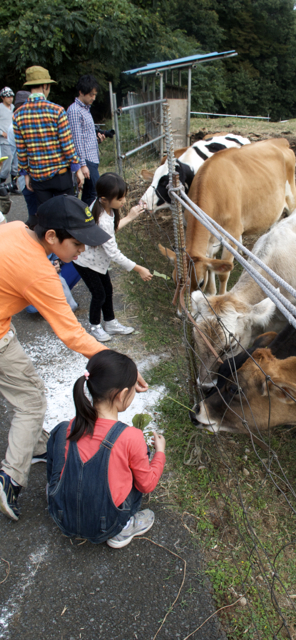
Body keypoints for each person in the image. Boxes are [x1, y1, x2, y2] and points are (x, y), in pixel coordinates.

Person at [0, 194, 149, 522]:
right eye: (78, 243)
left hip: (4, 324)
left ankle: (37, 445)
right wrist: (122, 364)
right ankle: (10, 478)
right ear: (52, 237)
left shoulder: (12, 229)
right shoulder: (39, 273)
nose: (83, 250)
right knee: (31, 400)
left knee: (25, 389)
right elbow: (72, 335)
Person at [47, 350, 166, 548]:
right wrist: (159, 453)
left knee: (58, 435)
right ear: (122, 395)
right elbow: (147, 485)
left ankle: (59, 496)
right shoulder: (131, 437)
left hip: (62, 518)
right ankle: (123, 528)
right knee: (141, 456)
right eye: (133, 391)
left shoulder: (70, 426)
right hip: (105, 525)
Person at [74, 172, 153, 342]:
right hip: (86, 262)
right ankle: (95, 326)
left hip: (97, 261)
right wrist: (139, 269)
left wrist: (131, 216)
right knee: (99, 294)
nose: (124, 201)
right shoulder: (101, 218)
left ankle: (110, 322)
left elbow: (110, 233)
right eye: (120, 199)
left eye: (123, 197)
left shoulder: (104, 207)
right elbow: (114, 253)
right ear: (104, 198)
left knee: (107, 290)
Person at [12, 66, 85, 214]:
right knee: (66, 216)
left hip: (38, 178)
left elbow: (21, 150)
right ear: (45, 86)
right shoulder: (57, 110)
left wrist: (25, 174)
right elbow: (67, 145)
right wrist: (77, 168)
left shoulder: (18, 115)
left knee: (47, 218)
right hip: (60, 175)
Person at [67, 75, 105, 205]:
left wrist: (97, 139)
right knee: (92, 194)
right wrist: (82, 165)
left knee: (92, 192)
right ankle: (87, 221)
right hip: (86, 160)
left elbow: (85, 136)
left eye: (95, 94)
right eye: (91, 94)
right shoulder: (74, 111)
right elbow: (76, 139)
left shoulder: (86, 109)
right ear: (81, 92)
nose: (93, 98)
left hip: (92, 158)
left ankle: (87, 221)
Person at [7, 90, 38, 227]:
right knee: (36, 217)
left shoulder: (12, 126)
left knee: (34, 215)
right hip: (33, 175)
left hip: (23, 176)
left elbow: (14, 155)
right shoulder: (16, 126)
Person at [0, 87, 15, 187]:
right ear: (2, 98)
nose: (10, 98)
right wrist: (1, 132)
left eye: (11, 96)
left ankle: (14, 184)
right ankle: (1, 182)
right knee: (7, 160)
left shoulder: (14, 107)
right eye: (7, 96)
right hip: (4, 139)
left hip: (14, 139)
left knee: (15, 162)